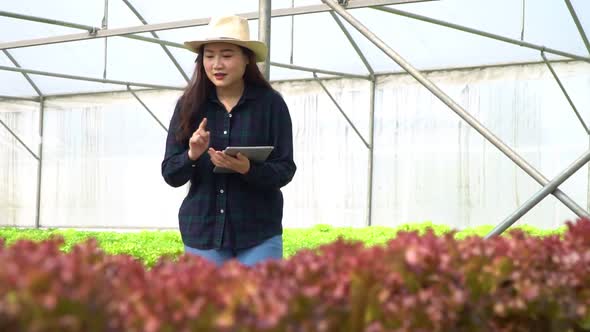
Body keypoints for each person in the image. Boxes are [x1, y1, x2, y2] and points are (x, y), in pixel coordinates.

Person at [161, 15, 296, 267]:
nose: (217, 64)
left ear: (247, 58)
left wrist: (248, 169)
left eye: (227, 55)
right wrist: (191, 155)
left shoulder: (271, 105)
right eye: (209, 56)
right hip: (203, 233)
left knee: (259, 306)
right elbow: (170, 173)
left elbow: (285, 169)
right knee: (210, 307)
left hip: (258, 233)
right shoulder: (189, 106)